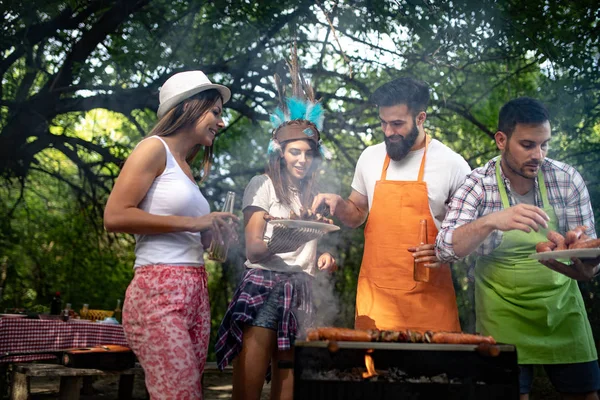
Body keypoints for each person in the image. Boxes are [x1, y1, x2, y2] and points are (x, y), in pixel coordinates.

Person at [436, 97, 600, 400]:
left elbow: (587, 257)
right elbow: (445, 248)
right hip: (502, 315)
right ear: (501, 140)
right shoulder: (478, 184)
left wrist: (586, 263)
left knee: (586, 394)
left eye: (545, 145)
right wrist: (491, 221)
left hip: (562, 312)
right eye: (527, 145)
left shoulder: (566, 179)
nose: (538, 155)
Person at [104, 70, 238, 399]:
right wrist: (195, 223)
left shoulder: (185, 168)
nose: (221, 123)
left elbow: (187, 234)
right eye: (216, 112)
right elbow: (116, 215)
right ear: (189, 106)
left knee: (184, 391)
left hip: (195, 292)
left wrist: (213, 236)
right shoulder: (154, 148)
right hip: (158, 292)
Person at [215, 63, 337, 400]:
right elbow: (254, 250)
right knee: (249, 385)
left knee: (290, 380)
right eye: (294, 152)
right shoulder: (262, 185)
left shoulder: (315, 197)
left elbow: (310, 250)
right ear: (280, 153)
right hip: (264, 285)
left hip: (303, 287)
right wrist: (288, 238)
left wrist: (325, 256)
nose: (301, 160)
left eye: (308, 154)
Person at [312, 77, 471, 332]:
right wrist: (340, 204)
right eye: (383, 123)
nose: (388, 132)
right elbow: (356, 214)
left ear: (421, 118)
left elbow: (467, 235)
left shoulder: (453, 164)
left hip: (431, 304)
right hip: (377, 303)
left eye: (397, 124)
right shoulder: (370, 157)